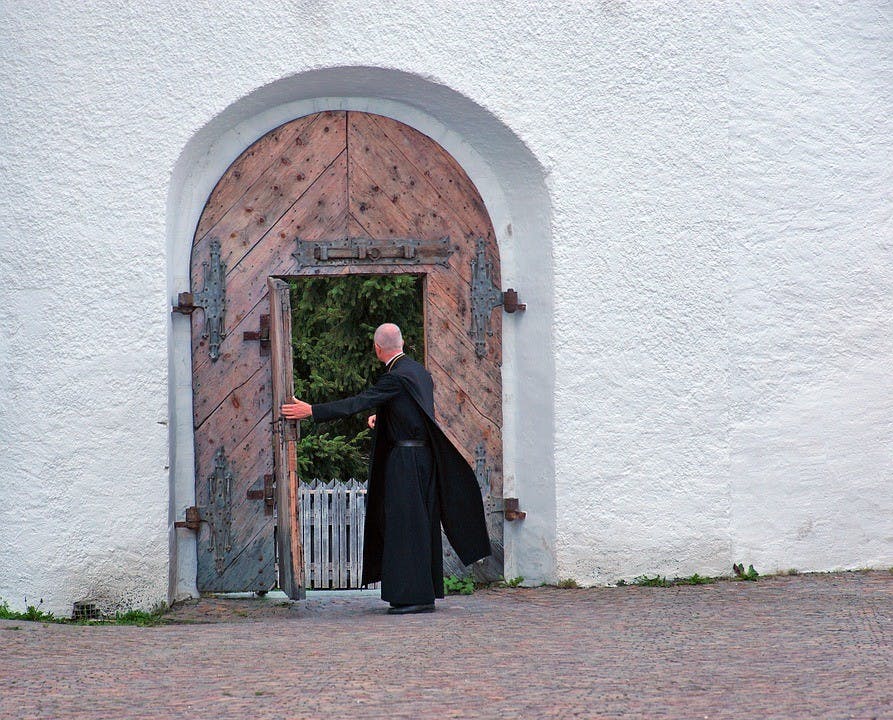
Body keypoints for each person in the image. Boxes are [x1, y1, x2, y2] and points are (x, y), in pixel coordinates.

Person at [281, 323, 490, 614]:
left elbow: (359, 402)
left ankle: (415, 597)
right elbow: (416, 411)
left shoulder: (395, 378)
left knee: (405, 527)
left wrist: (313, 411)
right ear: (401, 342)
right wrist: (386, 420)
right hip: (421, 459)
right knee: (418, 525)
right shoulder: (418, 372)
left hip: (405, 465)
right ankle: (421, 593)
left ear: (378, 348)